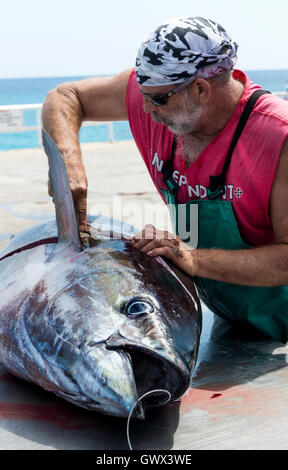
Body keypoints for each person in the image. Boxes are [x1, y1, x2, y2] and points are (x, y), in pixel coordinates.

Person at [42, 16, 288, 342]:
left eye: (157, 99)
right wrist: (68, 161)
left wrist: (192, 258)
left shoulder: (278, 136)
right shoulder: (161, 95)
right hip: (230, 316)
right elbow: (65, 97)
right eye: (142, 94)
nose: (144, 109)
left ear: (201, 89)